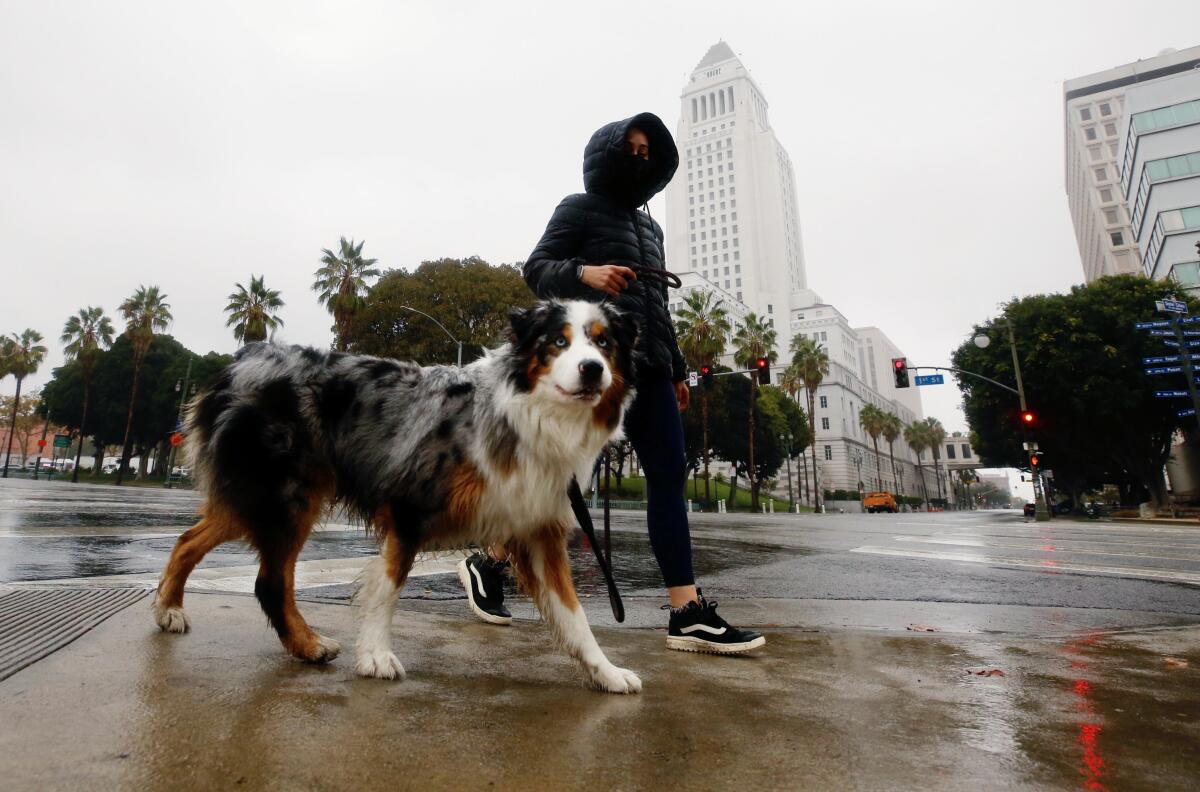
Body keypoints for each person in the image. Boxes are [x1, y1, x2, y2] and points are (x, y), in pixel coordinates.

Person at [457, 112, 764, 654]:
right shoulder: (576, 209)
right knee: (553, 484)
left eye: (649, 150)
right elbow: (538, 268)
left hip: (649, 375)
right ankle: (489, 562)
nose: (640, 157)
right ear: (607, 153)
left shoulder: (652, 230)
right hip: (594, 376)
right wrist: (586, 274)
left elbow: (657, 306)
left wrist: (676, 371)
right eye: (632, 147)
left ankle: (686, 612)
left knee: (668, 476)